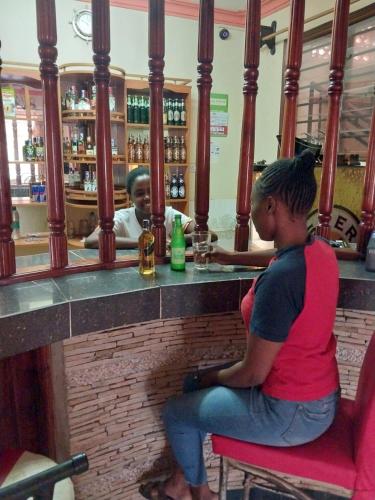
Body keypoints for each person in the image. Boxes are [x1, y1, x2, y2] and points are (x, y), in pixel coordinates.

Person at [139, 149, 340, 500]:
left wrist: (210, 377)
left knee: (177, 411)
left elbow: (252, 375)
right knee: (192, 385)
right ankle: (180, 481)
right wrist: (234, 258)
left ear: (272, 206)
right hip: (319, 397)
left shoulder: (280, 282)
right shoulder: (319, 250)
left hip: (291, 413)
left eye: (254, 204)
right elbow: (282, 255)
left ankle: (199, 495)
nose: (248, 214)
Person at [85, 166, 195, 249]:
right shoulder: (121, 217)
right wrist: (147, 241)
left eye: (151, 191)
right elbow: (91, 241)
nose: (147, 197)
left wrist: (181, 239)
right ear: (130, 197)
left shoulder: (169, 214)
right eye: (139, 193)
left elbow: (207, 233)